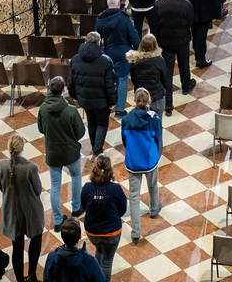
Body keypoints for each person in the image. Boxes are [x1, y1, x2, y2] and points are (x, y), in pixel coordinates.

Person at [37, 76, 86, 232]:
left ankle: (57, 220)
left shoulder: (43, 109)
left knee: (55, 185)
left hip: (53, 153)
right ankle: (76, 208)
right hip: (71, 152)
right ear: (64, 90)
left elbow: (41, 129)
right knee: (76, 176)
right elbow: (80, 132)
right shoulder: (71, 110)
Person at [0, 133, 44, 282]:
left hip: (11, 211)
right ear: (22, 148)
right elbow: (38, 190)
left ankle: (19, 280)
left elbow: (1, 188)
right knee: (36, 237)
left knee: (17, 247)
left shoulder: (1, 165)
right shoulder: (31, 167)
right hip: (30, 211)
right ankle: (32, 275)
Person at [149, 0, 196, 114]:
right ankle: (186, 86)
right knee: (184, 65)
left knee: (167, 73)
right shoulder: (186, 4)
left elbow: (154, 25)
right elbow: (190, 22)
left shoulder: (158, 5)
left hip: (165, 43)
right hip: (182, 41)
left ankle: (168, 105)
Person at [121, 88, 163, 245]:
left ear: (134, 100)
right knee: (153, 186)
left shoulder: (126, 119)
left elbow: (124, 140)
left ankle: (135, 232)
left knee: (134, 196)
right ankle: (154, 209)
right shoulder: (154, 119)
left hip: (133, 162)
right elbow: (158, 139)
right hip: (150, 160)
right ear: (149, 100)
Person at [67, 31, 117, 157]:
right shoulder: (106, 61)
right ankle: (97, 151)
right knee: (102, 124)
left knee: (91, 122)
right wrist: (112, 101)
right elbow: (110, 85)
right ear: (99, 43)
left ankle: (94, 145)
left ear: (85, 42)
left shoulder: (75, 59)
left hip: (84, 99)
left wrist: (74, 96)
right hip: (102, 102)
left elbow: (71, 81)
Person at [80, 155, 127, 281]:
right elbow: (122, 210)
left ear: (94, 169)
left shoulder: (87, 187)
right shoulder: (116, 189)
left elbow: (84, 206)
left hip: (92, 232)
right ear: (110, 169)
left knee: (99, 252)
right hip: (112, 232)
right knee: (106, 262)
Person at [95, 0, 139, 119]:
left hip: (107, 52)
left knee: (108, 79)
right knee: (123, 79)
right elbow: (134, 38)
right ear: (119, 3)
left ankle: (108, 105)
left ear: (107, 3)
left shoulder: (100, 18)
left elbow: (97, 38)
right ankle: (119, 110)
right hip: (123, 54)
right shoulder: (125, 18)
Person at [43, 216, 105, 281]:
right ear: (80, 237)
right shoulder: (88, 260)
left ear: (61, 236)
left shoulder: (51, 257)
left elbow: (46, 279)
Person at [127, 33, 170, 121]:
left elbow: (134, 81)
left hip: (141, 98)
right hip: (157, 97)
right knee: (157, 124)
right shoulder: (160, 61)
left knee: (143, 123)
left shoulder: (135, 62)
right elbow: (165, 80)